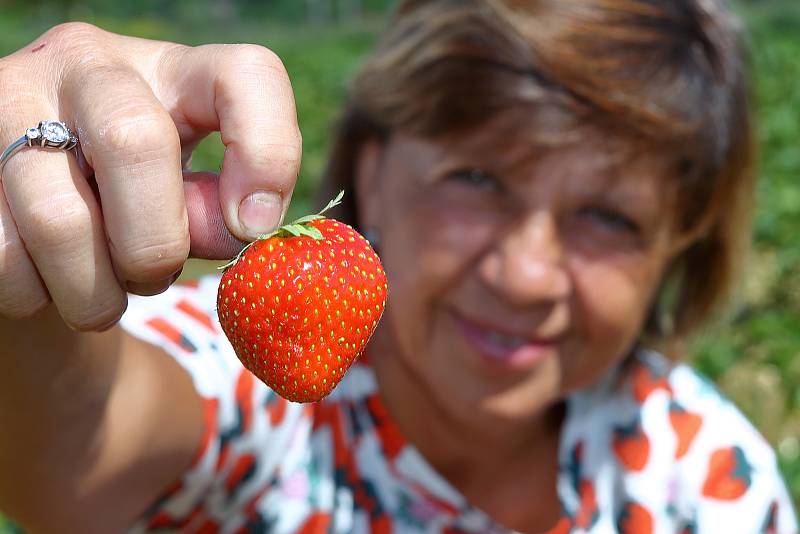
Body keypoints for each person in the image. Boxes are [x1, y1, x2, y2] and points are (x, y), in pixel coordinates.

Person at [0, 0, 796, 532]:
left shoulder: (700, 480)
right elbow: (77, 456)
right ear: (370, 170)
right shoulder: (269, 397)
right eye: (477, 180)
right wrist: (28, 279)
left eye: (608, 217)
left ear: (679, 247)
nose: (524, 274)